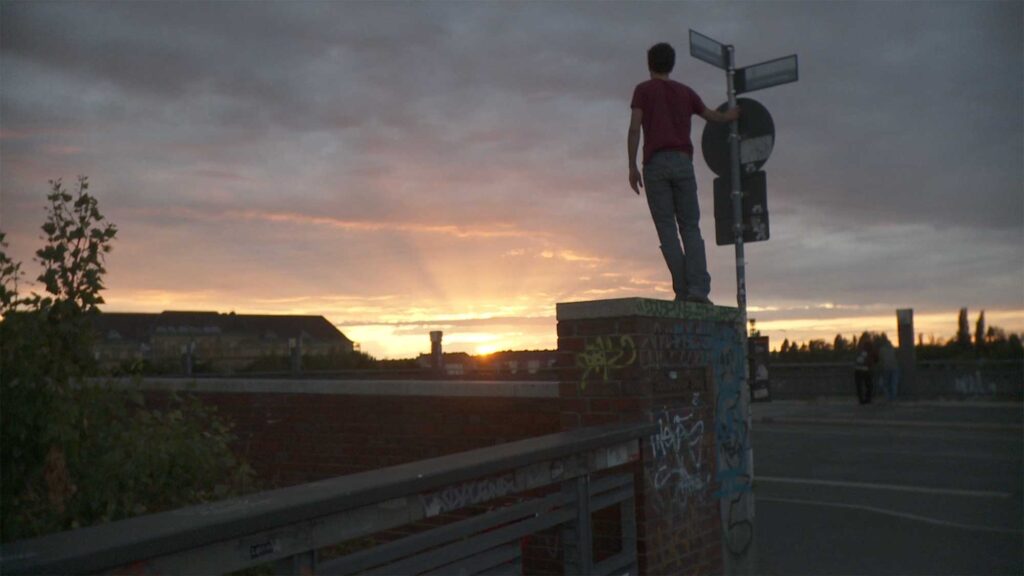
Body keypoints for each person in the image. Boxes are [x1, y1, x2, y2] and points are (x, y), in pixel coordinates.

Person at [627, 42, 739, 304]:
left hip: (655, 165)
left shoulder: (643, 91)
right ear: (672, 64)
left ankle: (682, 290)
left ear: (649, 63)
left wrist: (632, 166)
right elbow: (713, 116)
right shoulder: (685, 92)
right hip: (683, 163)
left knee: (667, 230)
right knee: (690, 227)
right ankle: (699, 290)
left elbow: (634, 128)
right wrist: (731, 115)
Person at [854, 336, 877, 405]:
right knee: (868, 385)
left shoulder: (859, 349)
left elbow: (856, 359)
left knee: (860, 386)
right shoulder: (870, 350)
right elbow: (875, 359)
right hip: (866, 369)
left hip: (858, 369)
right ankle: (867, 399)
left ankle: (861, 400)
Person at [877, 334, 900, 401]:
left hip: (886, 368)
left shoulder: (882, 350)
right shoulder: (893, 349)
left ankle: (888, 397)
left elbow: (880, 360)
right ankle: (893, 397)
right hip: (894, 367)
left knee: (886, 383)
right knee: (894, 383)